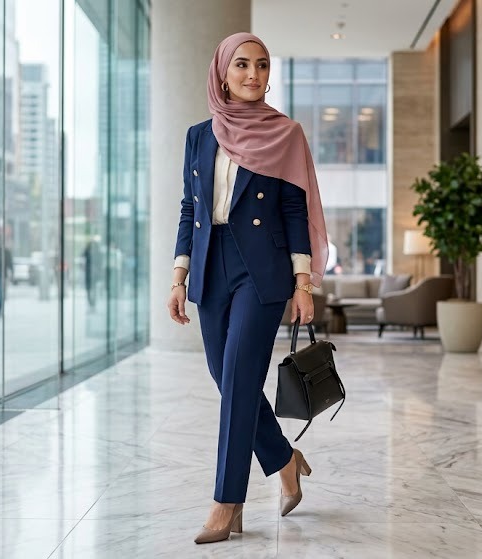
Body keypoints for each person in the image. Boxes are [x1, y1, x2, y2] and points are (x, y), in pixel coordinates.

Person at [166, 33, 329, 545]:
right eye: (242, 64)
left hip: (263, 271)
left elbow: (294, 209)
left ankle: (226, 503)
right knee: (225, 375)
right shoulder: (199, 135)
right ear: (222, 72)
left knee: (237, 380)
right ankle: (284, 459)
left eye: (261, 65)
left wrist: (304, 282)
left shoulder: (286, 133)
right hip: (212, 265)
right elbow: (190, 209)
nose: (253, 74)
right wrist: (179, 276)